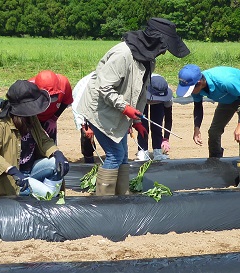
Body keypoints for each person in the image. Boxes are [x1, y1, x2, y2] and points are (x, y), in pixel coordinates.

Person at [76, 17, 190, 196]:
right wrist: (125, 108)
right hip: (100, 111)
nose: (165, 52)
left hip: (117, 111)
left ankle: (122, 196)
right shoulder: (123, 55)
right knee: (114, 154)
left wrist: (136, 119)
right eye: (165, 47)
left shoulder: (147, 59)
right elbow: (103, 87)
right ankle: (103, 202)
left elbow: (139, 91)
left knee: (122, 155)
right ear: (156, 41)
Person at [176, 64, 240, 188]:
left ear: (200, 82)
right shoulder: (196, 87)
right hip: (227, 98)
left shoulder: (225, 81)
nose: (190, 91)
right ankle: (215, 164)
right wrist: (196, 128)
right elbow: (198, 106)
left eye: (190, 88)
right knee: (214, 132)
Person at [0, 80, 70, 197]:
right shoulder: (0, 124)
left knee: (57, 164)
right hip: (15, 180)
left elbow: (44, 139)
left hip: (32, 170)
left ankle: (46, 196)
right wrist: (12, 170)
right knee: (48, 195)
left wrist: (57, 153)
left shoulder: (31, 118)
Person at [29, 70, 74, 143]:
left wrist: (54, 119)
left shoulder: (64, 84)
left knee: (51, 144)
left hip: (50, 117)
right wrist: (34, 124)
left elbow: (66, 101)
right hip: (33, 118)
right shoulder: (29, 89)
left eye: (54, 95)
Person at [136, 74, 173, 161]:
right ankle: (142, 150)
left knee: (157, 123)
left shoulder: (166, 96)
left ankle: (157, 150)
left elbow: (168, 117)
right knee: (142, 124)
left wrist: (166, 139)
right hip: (143, 97)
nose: (156, 101)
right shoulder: (139, 90)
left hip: (153, 96)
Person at [71, 72, 98, 164]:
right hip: (84, 104)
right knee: (87, 135)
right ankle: (88, 159)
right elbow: (78, 105)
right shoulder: (89, 83)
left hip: (102, 104)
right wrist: (84, 125)